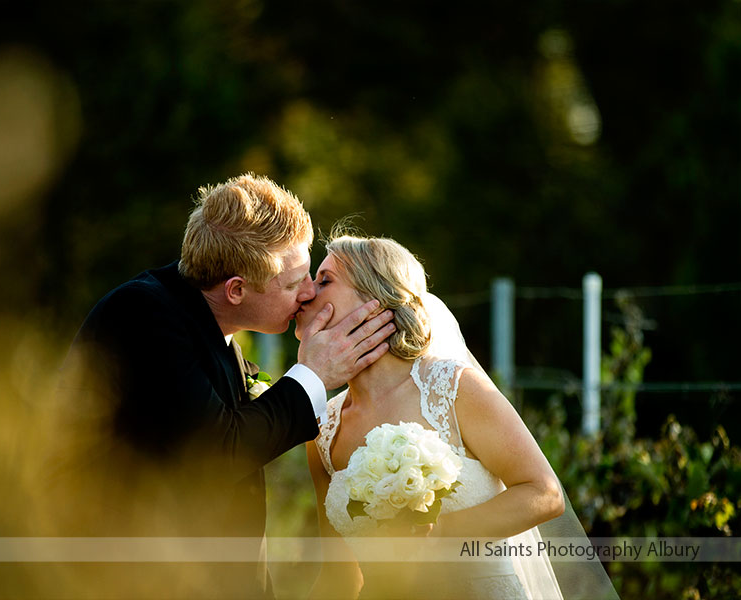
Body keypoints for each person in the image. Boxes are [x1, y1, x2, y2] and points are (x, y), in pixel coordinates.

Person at [51, 175, 395, 598]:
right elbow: (218, 452)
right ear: (236, 290)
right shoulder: (142, 314)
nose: (308, 294)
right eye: (293, 283)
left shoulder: (205, 323)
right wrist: (314, 375)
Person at [300, 232, 619, 599]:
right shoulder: (323, 428)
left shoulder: (452, 388)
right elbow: (339, 578)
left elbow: (545, 493)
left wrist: (440, 533)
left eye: (325, 280)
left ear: (375, 301)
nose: (307, 293)